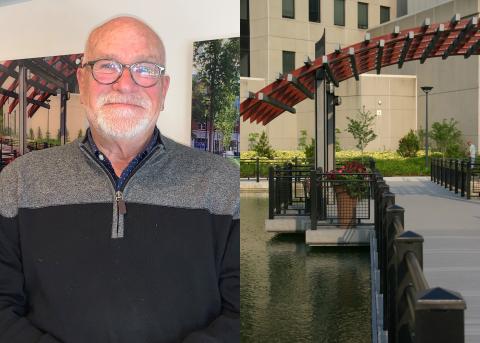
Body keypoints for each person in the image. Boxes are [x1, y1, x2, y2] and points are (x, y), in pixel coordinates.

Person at [0, 16, 239, 343]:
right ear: (82, 83)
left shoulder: (224, 184)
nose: (125, 85)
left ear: (163, 89)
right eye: (107, 66)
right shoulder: (18, 182)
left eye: (145, 69)